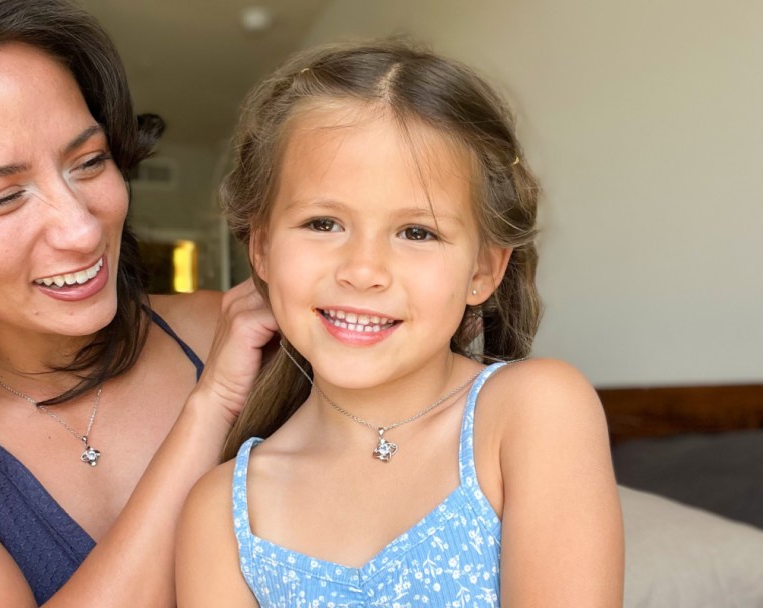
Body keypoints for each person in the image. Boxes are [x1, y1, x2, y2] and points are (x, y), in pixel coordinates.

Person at [0, 0, 276, 606]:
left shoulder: (234, 333)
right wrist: (211, 410)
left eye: (89, 161)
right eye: (0, 198)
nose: (80, 228)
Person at [176, 39, 624, 607]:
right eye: (322, 223)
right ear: (261, 248)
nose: (363, 271)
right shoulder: (223, 512)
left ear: (482, 271)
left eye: (417, 232)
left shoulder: (532, 412)